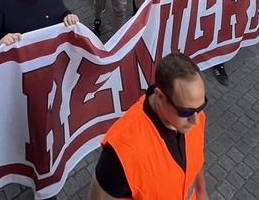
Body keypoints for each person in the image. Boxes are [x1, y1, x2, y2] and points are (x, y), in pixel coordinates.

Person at [90, 53, 209, 200]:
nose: (196, 120)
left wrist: (201, 191)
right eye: (185, 112)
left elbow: (195, 158)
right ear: (160, 97)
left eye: (201, 106)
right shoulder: (120, 154)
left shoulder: (194, 113)